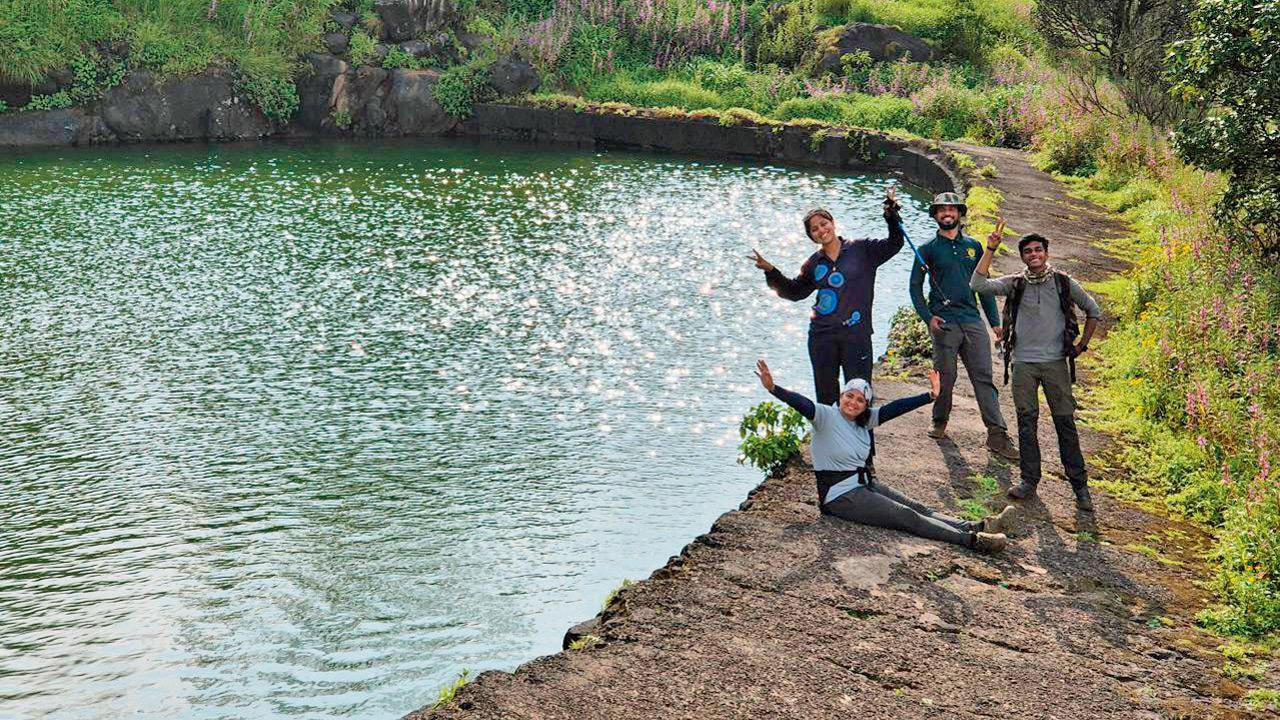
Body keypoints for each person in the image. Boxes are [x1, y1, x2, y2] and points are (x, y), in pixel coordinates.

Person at [754, 359, 1014, 553]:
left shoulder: (864, 421)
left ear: (866, 405)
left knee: (918, 507)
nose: (852, 403)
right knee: (906, 516)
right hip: (839, 497)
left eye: (859, 400)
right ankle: (974, 541)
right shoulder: (824, 415)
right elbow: (801, 403)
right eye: (849, 396)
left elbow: (895, 408)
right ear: (842, 396)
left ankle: (977, 526)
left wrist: (930, 396)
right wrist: (774, 388)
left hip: (863, 485)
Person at [970, 225, 1102, 511]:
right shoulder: (1015, 283)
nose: (1034, 255)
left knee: (1065, 424)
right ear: (1022, 257)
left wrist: (1081, 346)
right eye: (1028, 251)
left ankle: (1080, 488)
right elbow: (978, 286)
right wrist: (990, 248)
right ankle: (1029, 481)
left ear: (1046, 253)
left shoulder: (1064, 282)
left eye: (1038, 250)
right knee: (1026, 424)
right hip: (1023, 365)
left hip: (1055, 364)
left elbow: (1094, 310)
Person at [750, 186, 903, 405]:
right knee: (827, 400)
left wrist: (890, 215)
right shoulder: (814, 263)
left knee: (860, 398)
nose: (821, 230)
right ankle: (829, 439)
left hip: (857, 336)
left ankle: (863, 440)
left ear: (832, 223)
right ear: (811, 236)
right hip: (822, 338)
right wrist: (770, 270)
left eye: (824, 223)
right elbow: (794, 292)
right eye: (814, 229)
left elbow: (894, 244)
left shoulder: (862, 249)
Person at [908, 192, 1018, 460]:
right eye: (942, 210)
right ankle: (939, 420)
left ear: (959, 214)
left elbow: (984, 286)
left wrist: (995, 323)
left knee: (983, 378)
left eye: (952, 209)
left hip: (972, 321)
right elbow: (914, 288)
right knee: (946, 378)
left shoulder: (974, 246)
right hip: (944, 323)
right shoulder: (926, 250)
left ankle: (997, 434)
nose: (947, 214)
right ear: (935, 215)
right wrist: (928, 317)